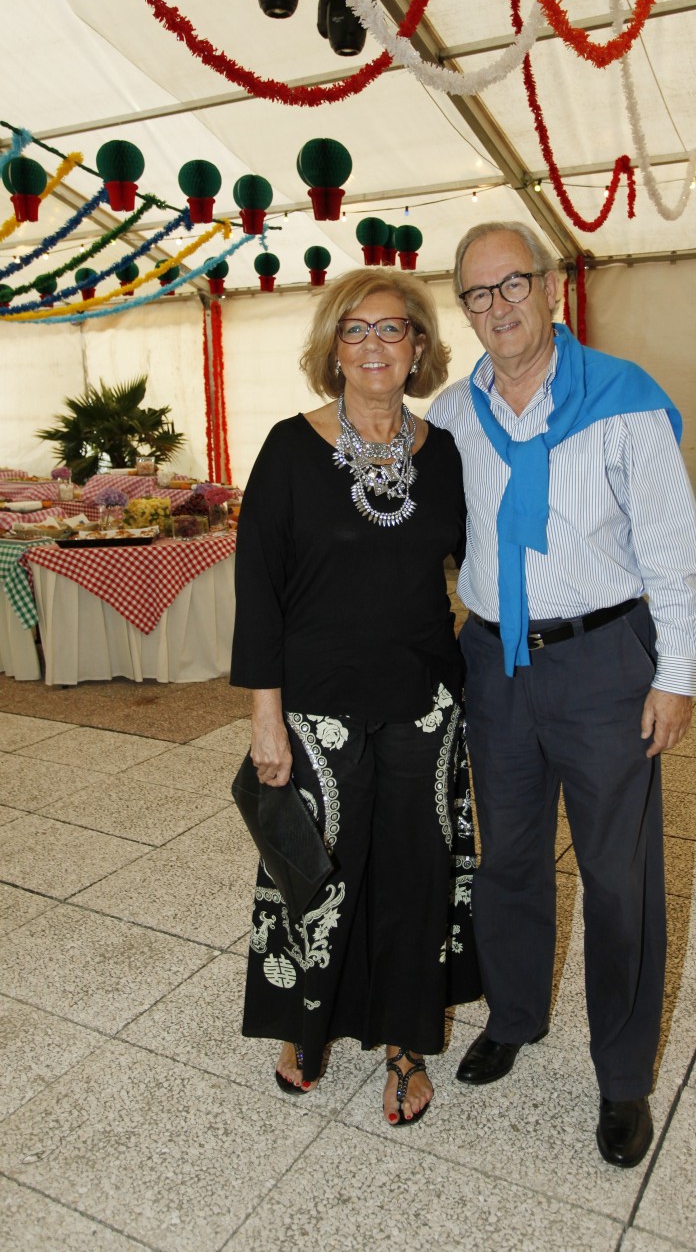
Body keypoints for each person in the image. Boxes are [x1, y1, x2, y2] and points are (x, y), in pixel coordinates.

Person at [427, 222, 696, 1167]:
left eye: (513, 283)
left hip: (602, 665)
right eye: (478, 293)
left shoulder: (624, 400)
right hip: (495, 664)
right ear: (464, 310)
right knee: (507, 859)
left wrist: (675, 676)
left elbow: (671, 552)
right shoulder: (452, 416)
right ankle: (515, 1015)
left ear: (549, 287)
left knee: (618, 877)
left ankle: (623, 1075)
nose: (498, 305)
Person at [231, 268, 480, 1126]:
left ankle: (407, 1043)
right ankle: (306, 1025)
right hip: (316, 706)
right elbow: (258, 594)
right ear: (332, 348)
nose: (375, 344)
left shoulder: (443, 453)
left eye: (392, 328)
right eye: (355, 329)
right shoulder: (287, 448)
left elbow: (476, 564)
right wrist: (265, 715)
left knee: (415, 873)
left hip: (423, 702)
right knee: (317, 871)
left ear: (419, 347)